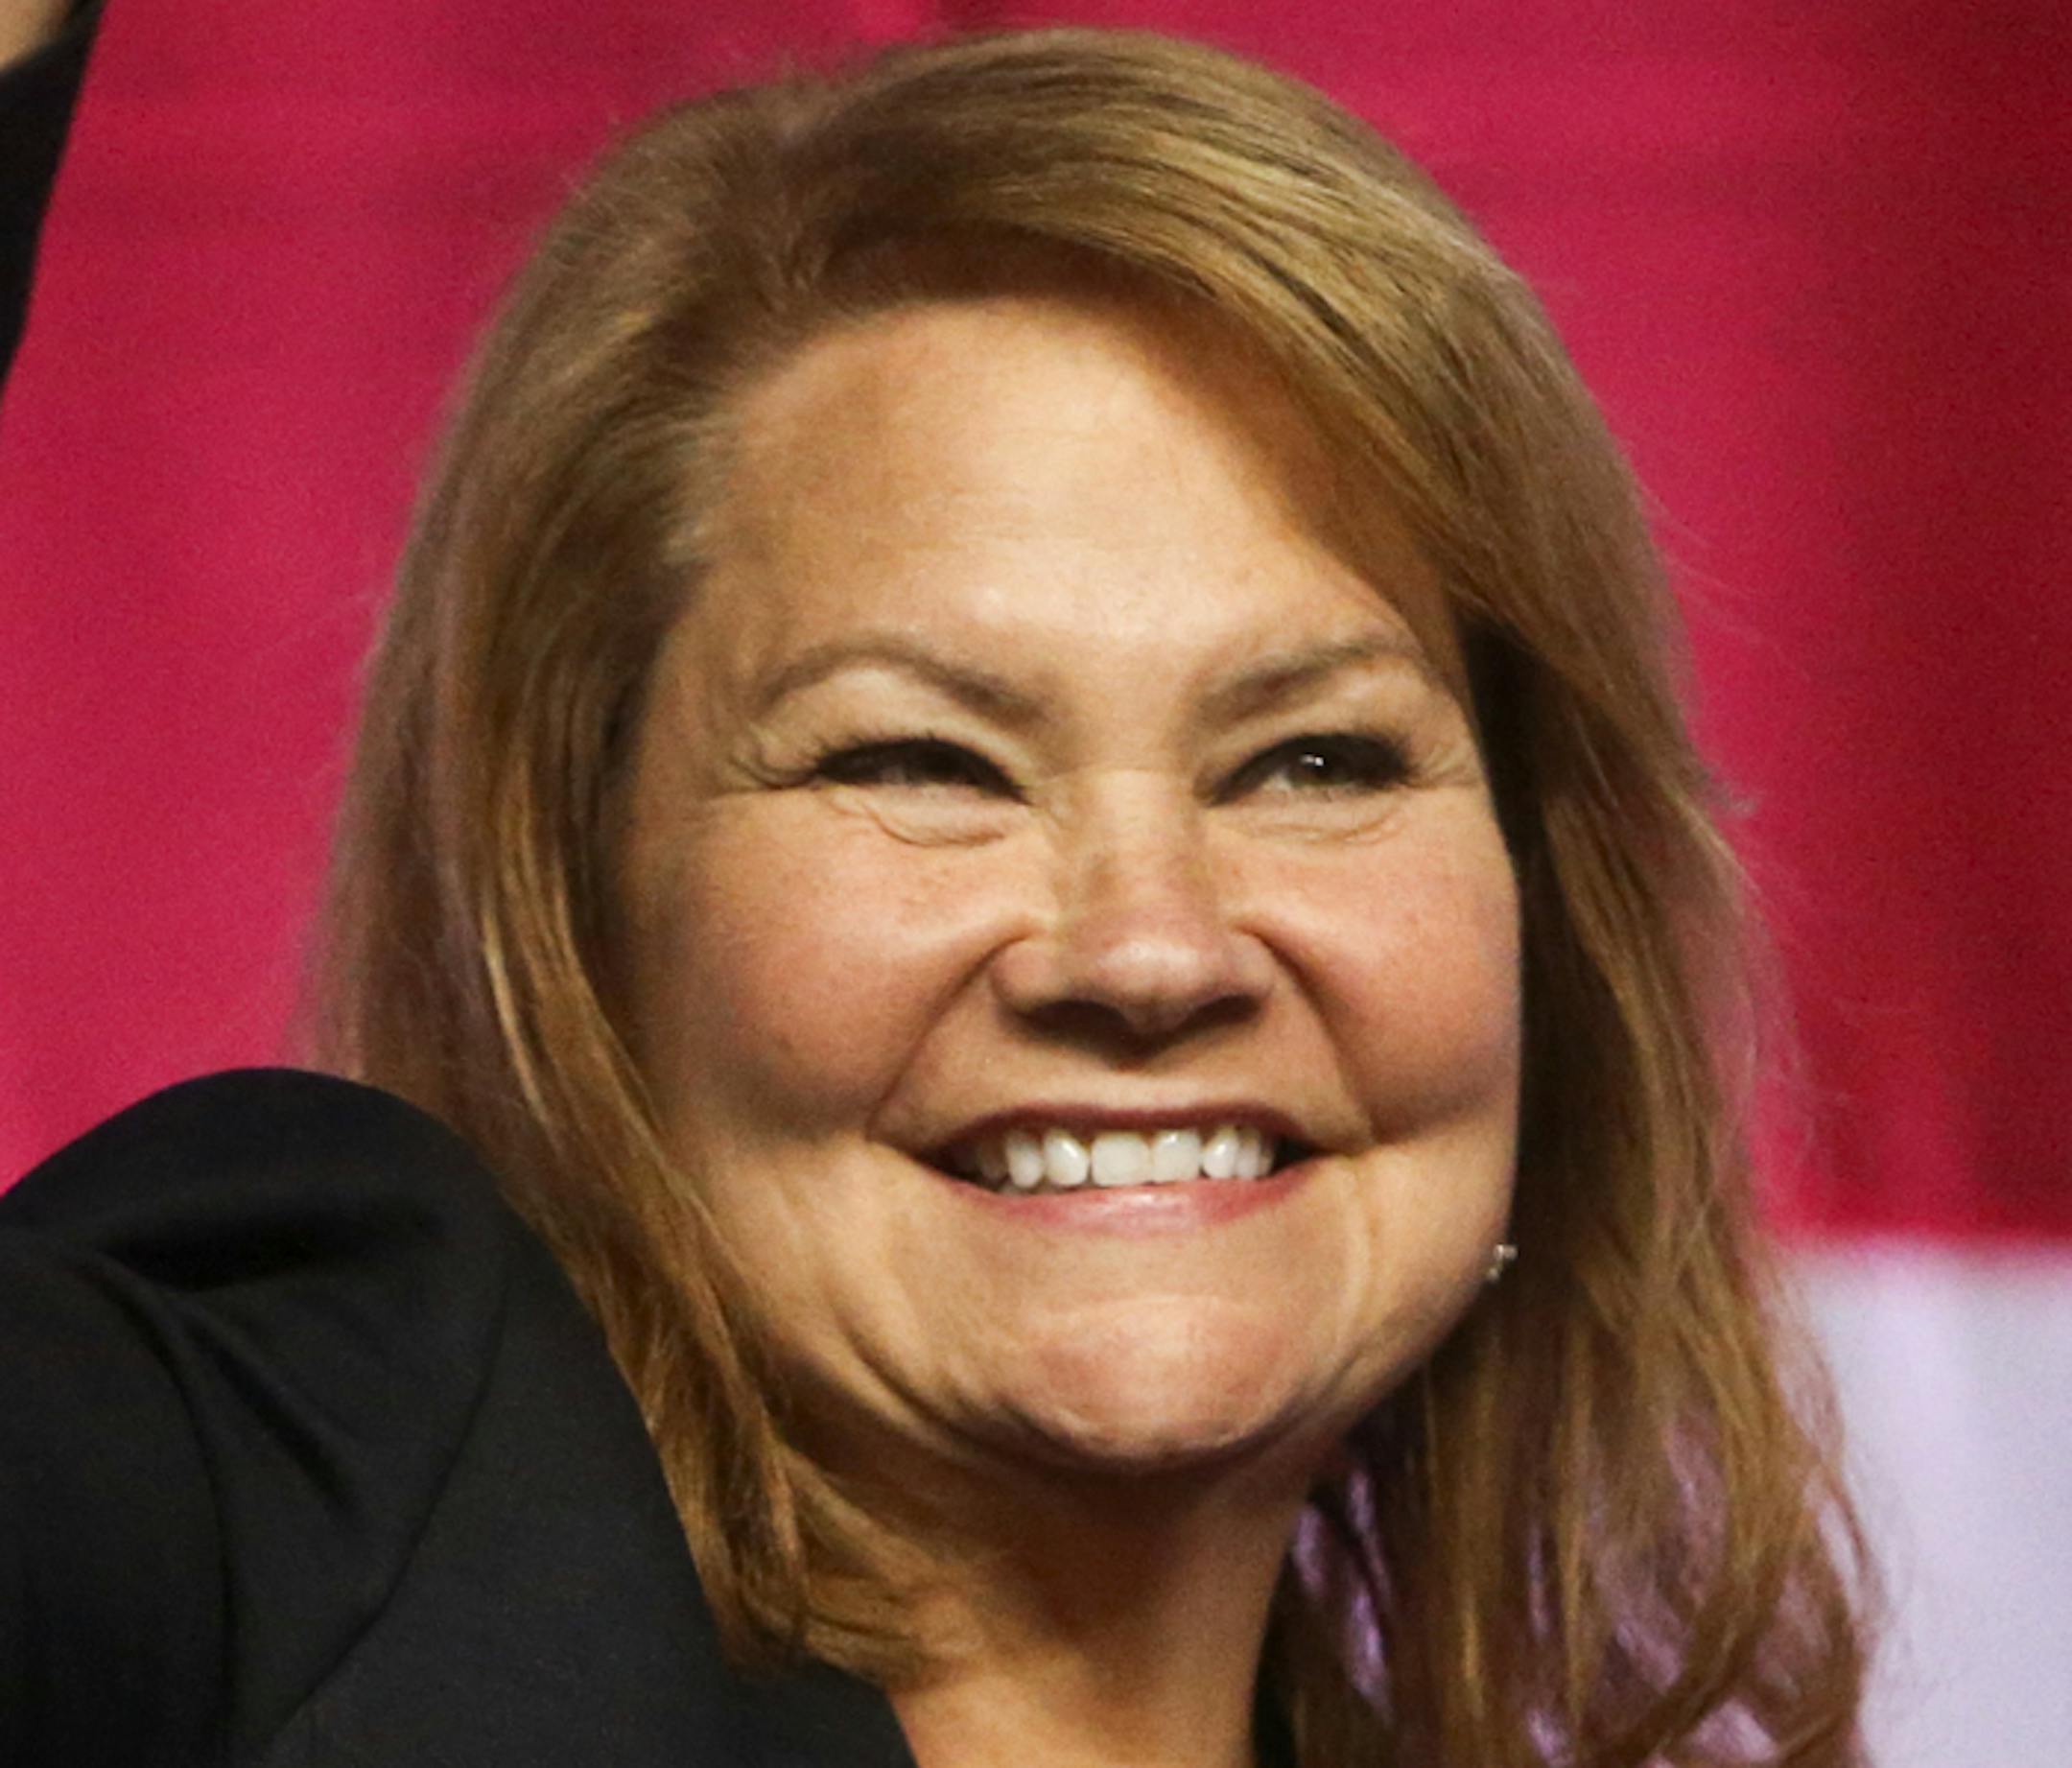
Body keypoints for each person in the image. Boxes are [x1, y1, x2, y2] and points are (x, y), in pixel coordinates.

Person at [0, 16, 1871, 1768]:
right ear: (577, 916)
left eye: (1318, 761)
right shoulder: (300, 1520)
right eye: (919, 764)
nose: (1151, 946)